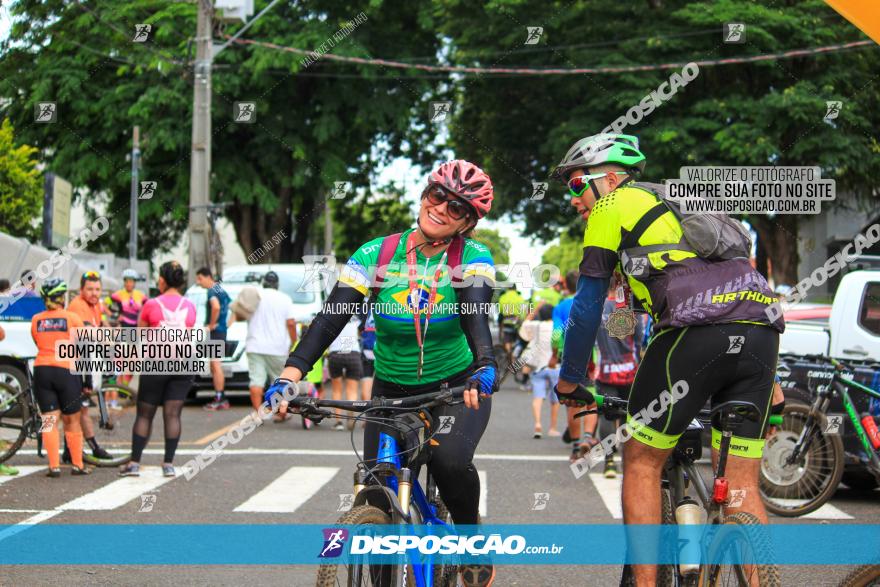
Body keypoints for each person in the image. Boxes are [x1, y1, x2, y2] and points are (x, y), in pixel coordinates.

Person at [551, 133, 783, 585]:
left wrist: (569, 381)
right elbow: (745, 291)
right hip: (762, 335)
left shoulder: (609, 208)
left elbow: (585, 308)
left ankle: (645, 581)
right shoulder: (685, 201)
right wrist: (773, 382)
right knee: (740, 483)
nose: (575, 198)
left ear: (610, 179)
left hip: (693, 336)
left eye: (578, 184)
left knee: (640, 458)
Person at [265, 160, 499, 587]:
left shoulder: (473, 257)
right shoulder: (377, 254)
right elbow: (330, 319)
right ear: (425, 193)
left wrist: (485, 362)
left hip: (456, 386)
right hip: (390, 388)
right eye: (437, 196)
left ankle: (469, 540)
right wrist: (291, 373)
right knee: (374, 491)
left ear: (468, 223)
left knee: (450, 462)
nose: (443, 209)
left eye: (458, 209)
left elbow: (475, 314)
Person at [119, 261, 197, 478]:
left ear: (162, 280)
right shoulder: (190, 306)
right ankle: (168, 464)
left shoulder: (151, 304)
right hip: (183, 364)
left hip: (156, 364)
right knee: (173, 414)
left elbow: (139, 337)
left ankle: (134, 463)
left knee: (145, 414)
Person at [30, 278, 90, 476]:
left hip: (42, 370)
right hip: (66, 371)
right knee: (72, 419)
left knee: (49, 419)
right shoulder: (72, 318)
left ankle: (53, 466)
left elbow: (38, 343)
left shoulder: (36, 320)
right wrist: (86, 380)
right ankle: (77, 465)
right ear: (61, 297)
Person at [588, 277, 644, 478]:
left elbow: (587, 342)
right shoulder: (629, 310)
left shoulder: (596, 309)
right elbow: (639, 342)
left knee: (606, 415)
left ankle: (609, 462)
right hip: (630, 372)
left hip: (605, 372)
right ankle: (632, 461)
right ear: (620, 285)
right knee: (631, 416)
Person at [65, 271, 113, 462]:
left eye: (98, 289)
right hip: (78, 360)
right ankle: (94, 448)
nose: (94, 293)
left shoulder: (95, 305)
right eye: (90, 289)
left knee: (76, 408)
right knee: (81, 408)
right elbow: (88, 335)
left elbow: (101, 324)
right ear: (81, 290)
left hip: (87, 359)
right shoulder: (78, 306)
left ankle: (69, 450)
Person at [238, 271, 297, 415]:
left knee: (256, 381)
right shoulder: (285, 298)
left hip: (255, 345)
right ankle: (281, 413)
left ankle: (259, 414)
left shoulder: (255, 296)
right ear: (277, 284)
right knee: (280, 381)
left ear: (264, 282)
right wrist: (294, 341)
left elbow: (240, 314)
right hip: (278, 347)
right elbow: (290, 323)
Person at [518, 303, 560, 439]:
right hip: (555, 367)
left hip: (538, 368)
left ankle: (537, 424)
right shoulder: (558, 327)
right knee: (555, 400)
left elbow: (524, 325)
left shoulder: (536, 326)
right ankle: (553, 428)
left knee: (537, 397)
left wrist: (535, 309)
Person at [195, 267, 231, 410]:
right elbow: (232, 306)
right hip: (221, 331)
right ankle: (220, 396)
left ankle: (220, 398)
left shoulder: (212, 291)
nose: (199, 282)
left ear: (208, 277)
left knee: (215, 365)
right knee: (214, 365)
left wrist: (210, 325)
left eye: (200, 279)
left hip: (215, 332)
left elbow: (215, 307)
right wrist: (227, 323)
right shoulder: (221, 290)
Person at [109, 269, 147, 388]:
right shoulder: (118, 294)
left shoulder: (141, 295)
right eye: (127, 281)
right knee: (120, 360)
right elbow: (104, 305)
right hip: (123, 329)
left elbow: (147, 309)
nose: (129, 284)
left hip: (135, 331)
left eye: (131, 281)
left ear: (135, 282)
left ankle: (124, 387)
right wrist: (114, 317)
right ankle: (117, 386)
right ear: (124, 282)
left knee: (133, 362)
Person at [326, 315, 363, 430]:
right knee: (352, 390)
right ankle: (351, 413)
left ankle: (339, 422)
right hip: (353, 353)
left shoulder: (331, 317)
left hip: (336, 353)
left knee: (337, 389)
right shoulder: (357, 319)